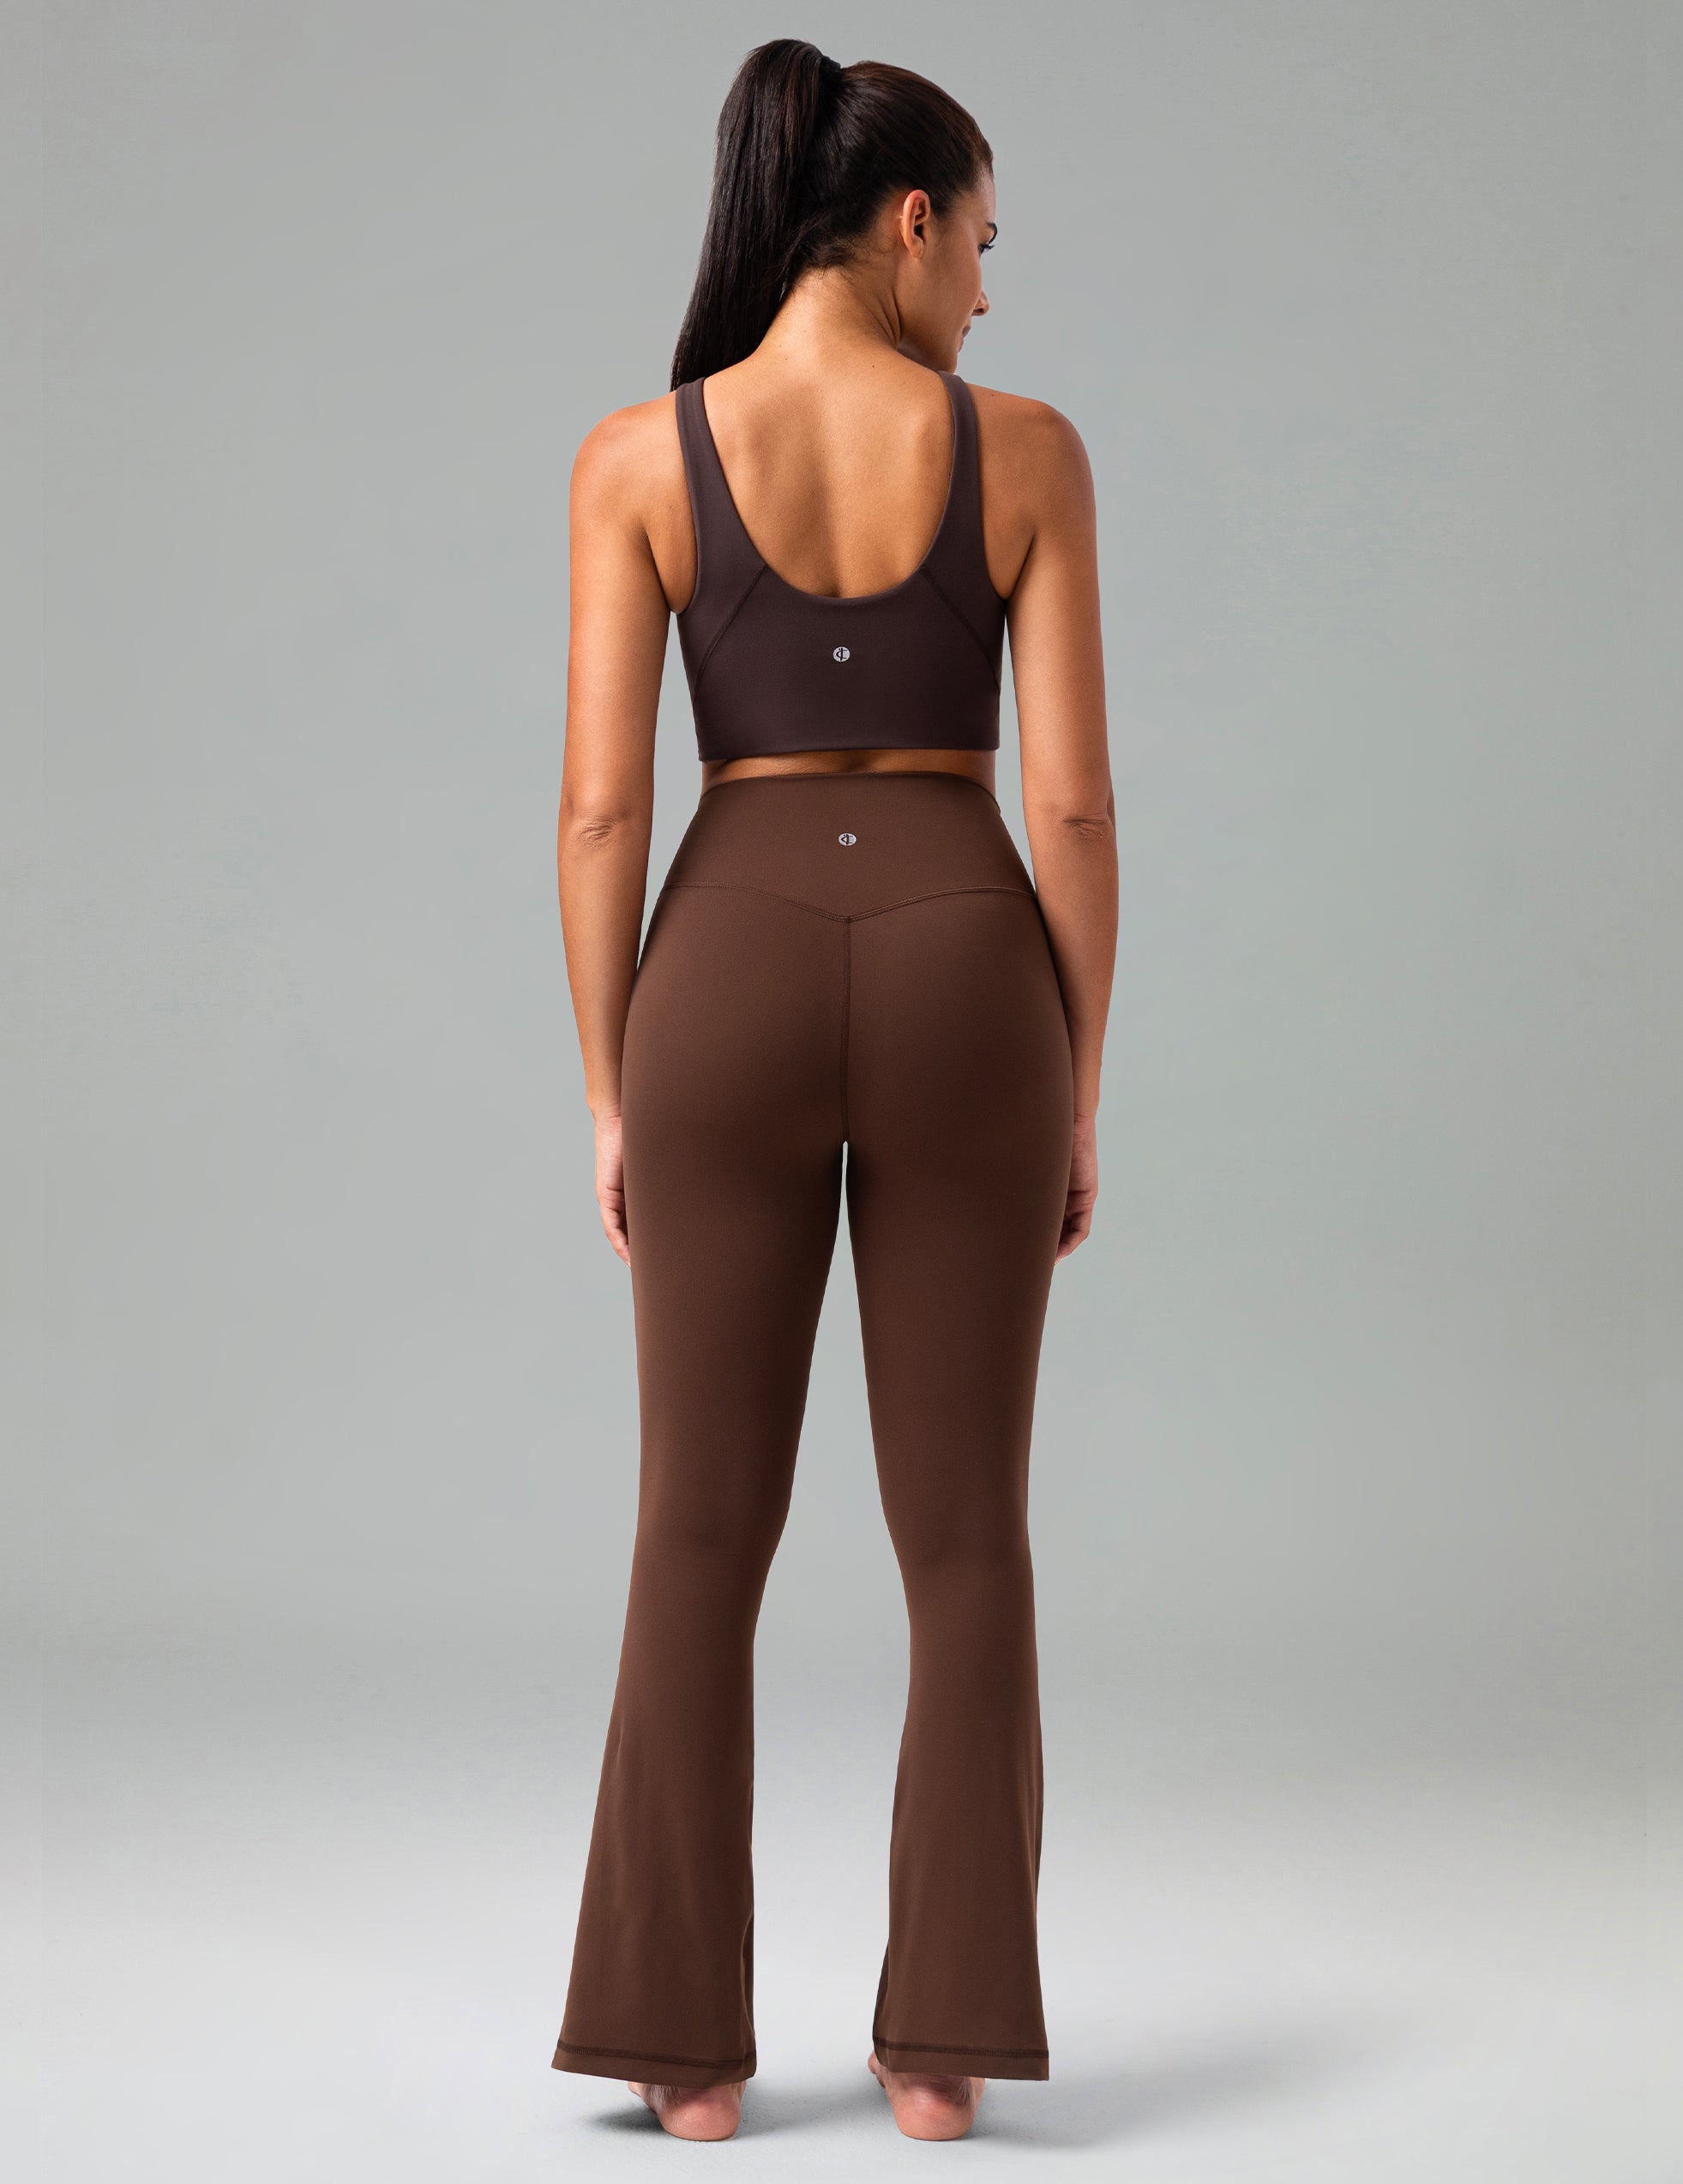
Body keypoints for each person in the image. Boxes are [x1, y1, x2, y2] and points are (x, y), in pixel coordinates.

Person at [549, 38, 1115, 2145]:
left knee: (696, 1520)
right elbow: (1072, 804)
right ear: (908, 221)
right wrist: (1075, 1082)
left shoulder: (639, 453)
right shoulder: (1027, 451)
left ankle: (681, 2052)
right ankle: (941, 2045)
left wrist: (611, 1085)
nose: (985, 286)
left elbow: (603, 812)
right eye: (981, 242)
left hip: (728, 965)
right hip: (972, 956)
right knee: (965, 1534)